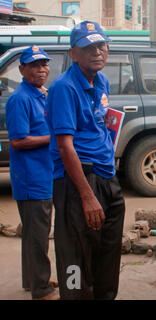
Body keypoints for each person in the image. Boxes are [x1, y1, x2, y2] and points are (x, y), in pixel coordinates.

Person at [45, 21, 125, 300]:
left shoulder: (101, 81)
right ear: (73, 53)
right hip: (77, 182)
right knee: (75, 257)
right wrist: (87, 196)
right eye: (88, 47)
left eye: (101, 45)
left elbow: (100, 124)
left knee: (108, 250)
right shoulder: (64, 88)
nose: (97, 52)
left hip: (106, 176)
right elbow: (65, 146)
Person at [5, 46, 59, 300]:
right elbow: (17, 141)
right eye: (35, 65)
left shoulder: (41, 94)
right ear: (22, 69)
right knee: (38, 235)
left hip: (44, 173)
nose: (41, 70)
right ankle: (41, 289)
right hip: (31, 177)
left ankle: (33, 279)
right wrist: (54, 139)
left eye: (44, 65)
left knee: (33, 233)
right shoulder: (20, 99)